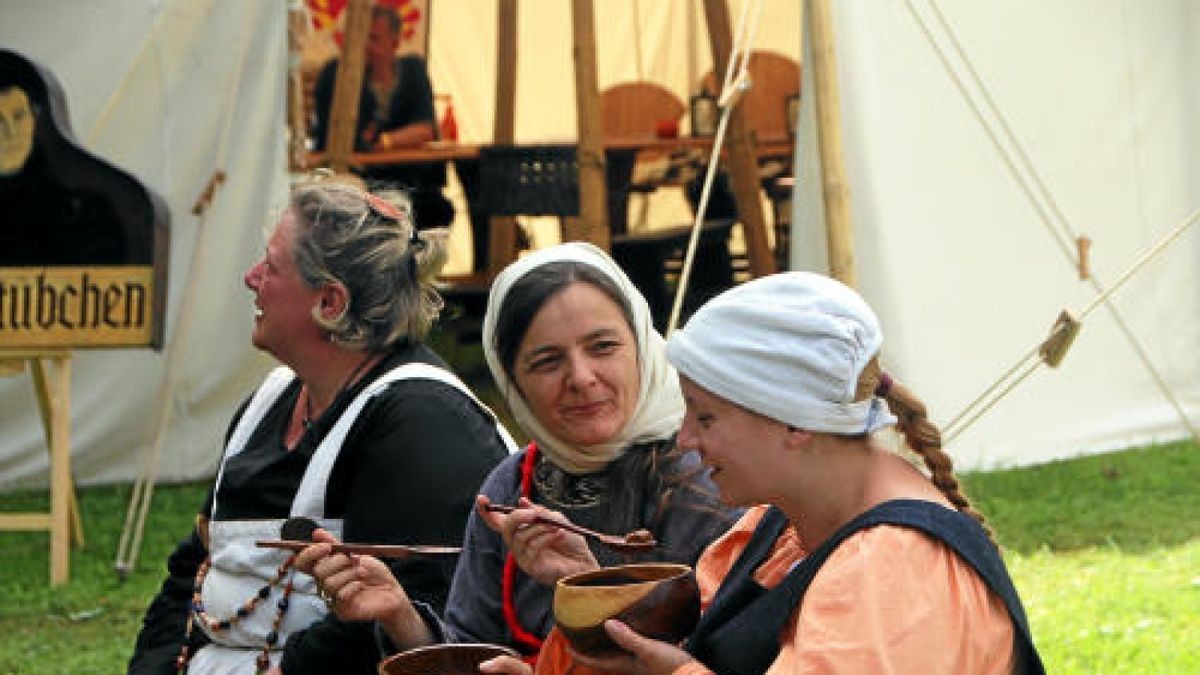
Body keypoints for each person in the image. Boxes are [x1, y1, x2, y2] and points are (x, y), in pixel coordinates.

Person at [529, 271, 1045, 675]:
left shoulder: (892, 568)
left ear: (795, 422)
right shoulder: (782, 523)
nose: (685, 439)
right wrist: (605, 605)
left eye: (705, 416)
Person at [128, 181, 514, 675]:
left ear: (329, 303)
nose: (250, 279)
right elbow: (196, 568)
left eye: (270, 267)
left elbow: (391, 627)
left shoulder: (424, 423)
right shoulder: (270, 402)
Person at [293, 242, 740, 665]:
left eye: (602, 347)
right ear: (514, 384)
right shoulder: (513, 487)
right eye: (547, 361)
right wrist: (399, 616)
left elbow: (731, 656)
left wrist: (593, 588)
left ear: (642, 344)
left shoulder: (709, 477)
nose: (581, 377)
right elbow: (474, 653)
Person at [310, 5, 453, 230]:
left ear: (394, 43)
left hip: (409, 180)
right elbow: (345, 139)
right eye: (360, 38)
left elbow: (425, 129)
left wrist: (385, 141)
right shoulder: (336, 74)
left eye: (374, 39)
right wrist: (387, 140)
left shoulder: (413, 71)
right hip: (358, 181)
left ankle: (488, 262)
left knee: (439, 205)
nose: (366, 46)